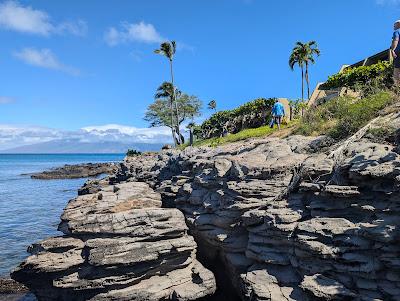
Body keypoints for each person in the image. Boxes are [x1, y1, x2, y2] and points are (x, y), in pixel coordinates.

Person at [391, 20, 400, 86]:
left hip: (398, 53)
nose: (393, 26)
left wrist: (393, 50)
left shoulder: (397, 31)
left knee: (396, 71)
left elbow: (396, 40)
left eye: (394, 24)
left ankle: (397, 87)